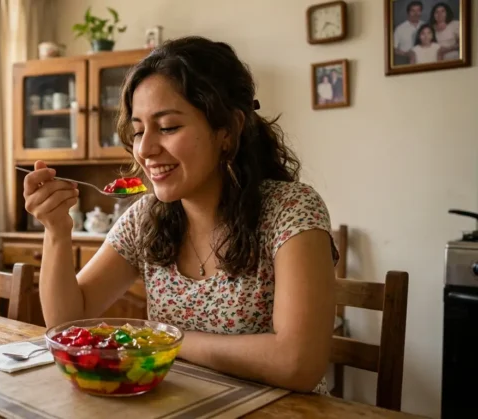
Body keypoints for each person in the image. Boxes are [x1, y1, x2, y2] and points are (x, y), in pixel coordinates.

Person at [22, 37, 338, 393]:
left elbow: (297, 364)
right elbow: (67, 325)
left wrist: (163, 339)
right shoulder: (145, 217)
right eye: (138, 130)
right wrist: (56, 230)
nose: (145, 149)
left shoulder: (291, 210)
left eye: (168, 127)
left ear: (227, 131)